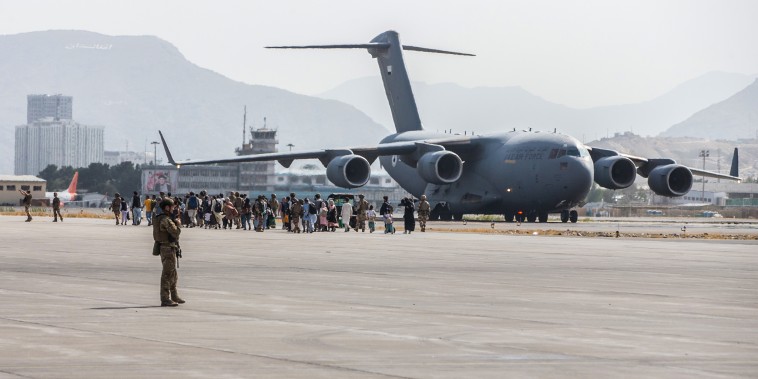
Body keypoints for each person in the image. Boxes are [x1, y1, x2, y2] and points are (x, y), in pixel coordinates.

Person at [152, 198, 184, 307]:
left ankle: (174, 295)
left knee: (173, 273)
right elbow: (175, 233)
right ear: (167, 207)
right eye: (172, 207)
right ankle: (165, 299)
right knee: (167, 274)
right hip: (167, 249)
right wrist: (178, 224)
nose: (174, 209)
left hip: (167, 248)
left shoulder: (161, 217)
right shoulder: (165, 219)